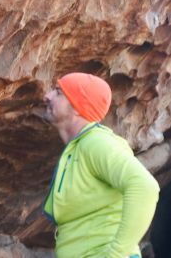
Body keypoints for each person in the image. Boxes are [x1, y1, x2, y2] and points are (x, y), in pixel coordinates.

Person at [42, 72, 160, 258]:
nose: (46, 96)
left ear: (77, 107)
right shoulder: (79, 147)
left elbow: (144, 187)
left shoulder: (97, 142)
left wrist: (116, 254)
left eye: (58, 92)